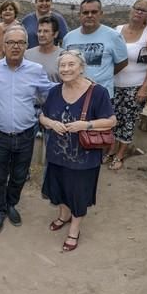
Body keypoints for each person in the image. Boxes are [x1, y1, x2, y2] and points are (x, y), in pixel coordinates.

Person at [0, 25, 56, 234]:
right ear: (3, 46)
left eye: (20, 43)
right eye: (11, 42)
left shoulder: (36, 70)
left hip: (26, 134)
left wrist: (78, 85)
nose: (15, 46)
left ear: (26, 46)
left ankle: (12, 204)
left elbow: (50, 93)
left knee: (20, 174)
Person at [38, 51, 116, 252]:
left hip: (84, 157)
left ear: (81, 67)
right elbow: (42, 117)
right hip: (57, 153)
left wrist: (86, 125)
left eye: (70, 64)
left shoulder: (97, 92)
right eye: (62, 66)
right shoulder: (55, 91)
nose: (65, 69)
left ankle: (74, 229)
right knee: (60, 188)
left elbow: (111, 121)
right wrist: (51, 123)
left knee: (78, 193)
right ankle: (63, 215)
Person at [104, 0, 147, 171]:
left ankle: (121, 154)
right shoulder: (117, 30)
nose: (138, 12)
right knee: (113, 119)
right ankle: (111, 149)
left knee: (128, 121)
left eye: (143, 10)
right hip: (113, 84)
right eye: (137, 8)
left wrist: (145, 87)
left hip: (135, 86)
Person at [62, 0, 128, 98]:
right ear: (79, 15)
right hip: (74, 94)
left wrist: (105, 75)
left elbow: (122, 62)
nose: (89, 15)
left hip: (101, 96)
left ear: (101, 14)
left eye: (94, 12)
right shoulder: (68, 38)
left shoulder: (114, 36)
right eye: (85, 12)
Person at [24, 16, 63, 83]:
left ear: (55, 34)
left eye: (46, 31)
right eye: (39, 31)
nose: (41, 35)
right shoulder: (26, 55)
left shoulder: (63, 56)